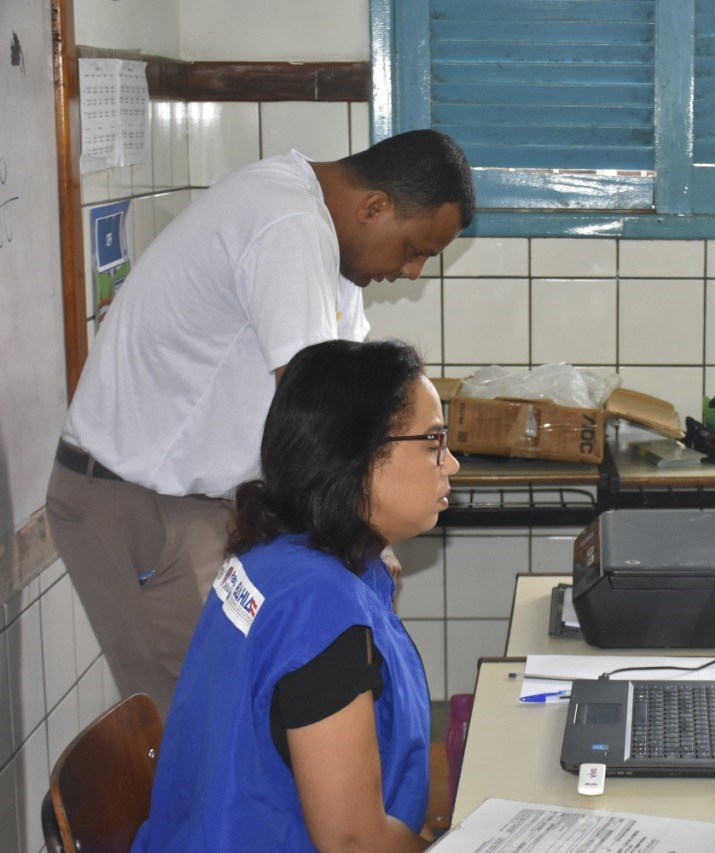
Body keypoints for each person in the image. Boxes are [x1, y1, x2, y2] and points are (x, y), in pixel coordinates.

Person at [46, 129, 474, 716]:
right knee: (202, 726)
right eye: (414, 248)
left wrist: (366, 527)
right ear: (375, 207)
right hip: (138, 503)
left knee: (248, 712)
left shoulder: (324, 238)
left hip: (200, 501)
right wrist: (362, 530)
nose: (414, 271)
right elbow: (315, 417)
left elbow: (356, 404)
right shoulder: (288, 225)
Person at [133, 338, 455, 852]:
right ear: (360, 454)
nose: (451, 463)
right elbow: (353, 841)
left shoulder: (275, 561)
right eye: (433, 441)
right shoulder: (321, 611)